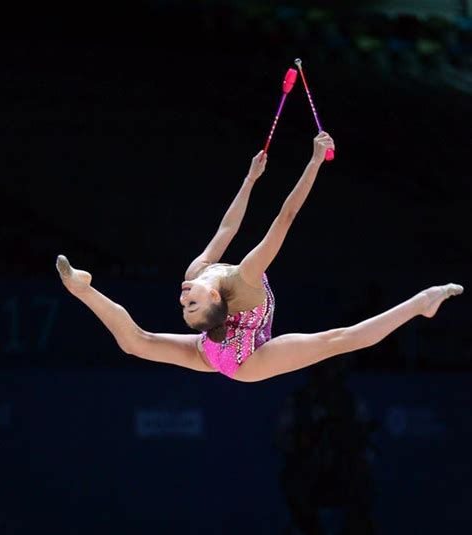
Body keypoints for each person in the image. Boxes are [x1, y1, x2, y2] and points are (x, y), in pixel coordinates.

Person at [56, 133, 463, 382]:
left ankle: (80, 288)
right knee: (338, 340)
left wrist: (251, 178)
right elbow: (285, 216)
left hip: (211, 349)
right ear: (216, 300)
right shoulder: (245, 280)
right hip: (247, 361)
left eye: (184, 305)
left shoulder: (197, 272)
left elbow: (226, 229)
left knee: (135, 345)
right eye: (191, 301)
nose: (182, 295)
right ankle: (420, 303)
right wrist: (314, 161)